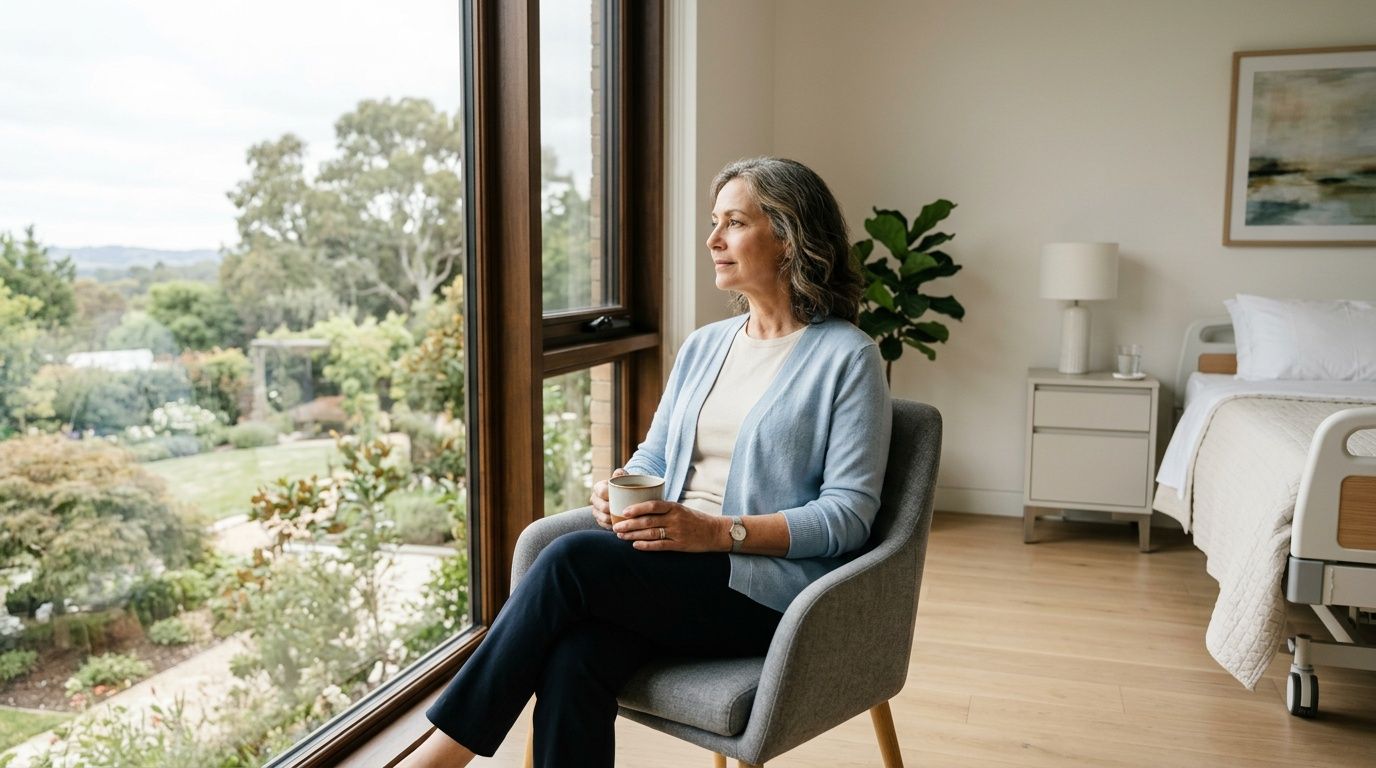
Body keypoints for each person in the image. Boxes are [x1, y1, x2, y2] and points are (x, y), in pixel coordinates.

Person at [400, 157, 892, 767]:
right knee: (575, 657)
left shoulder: (849, 358)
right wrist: (618, 489)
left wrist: (717, 532)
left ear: (791, 238)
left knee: (570, 559)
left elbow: (849, 516)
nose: (713, 240)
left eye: (734, 223)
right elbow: (655, 455)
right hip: (673, 569)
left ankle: (438, 756)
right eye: (715, 223)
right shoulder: (706, 345)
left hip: (769, 594)